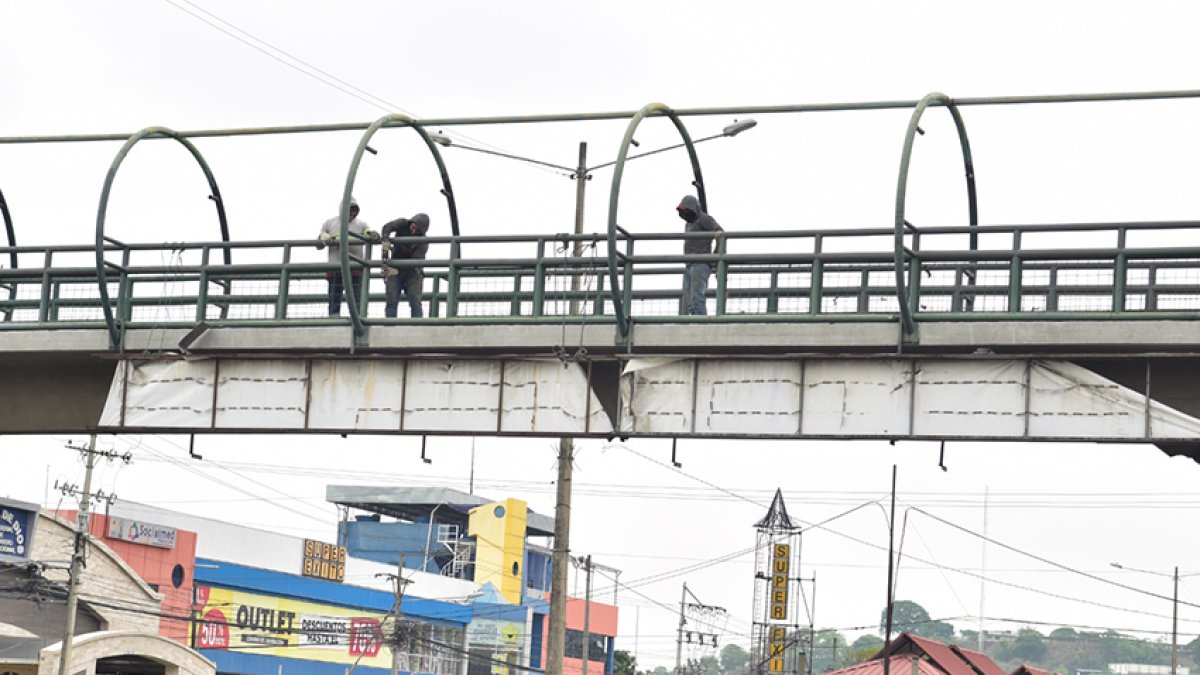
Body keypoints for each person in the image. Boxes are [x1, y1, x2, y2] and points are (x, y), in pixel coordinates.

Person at [317, 197, 378, 317]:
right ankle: (334, 320)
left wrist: (371, 234)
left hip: (355, 268)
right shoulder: (330, 223)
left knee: (357, 299)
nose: (352, 213)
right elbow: (319, 244)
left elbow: (367, 233)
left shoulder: (361, 224)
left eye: (355, 211)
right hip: (335, 268)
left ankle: (359, 319)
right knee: (334, 297)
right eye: (350, 210)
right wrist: (322, 237)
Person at [677, 194, 723, 315]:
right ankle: (694, 321)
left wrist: (716, 256)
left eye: (686, 210)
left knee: (697, 297)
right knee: (689, 300)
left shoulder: (704, 218)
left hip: (700, 263)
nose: (684, 213)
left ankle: (699, 323)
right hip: (689, 264)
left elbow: (719, 232)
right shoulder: (688, 224)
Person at [380, 213, 431, 318]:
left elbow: (415, 259)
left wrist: (396, 246)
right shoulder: (402, 223)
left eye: (417, 231)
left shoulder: (423, 242)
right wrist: (385, 239)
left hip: (412, 271)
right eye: (413, 228)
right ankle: (389, 326)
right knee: (391, 299)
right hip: (394, 268)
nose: (414, 232)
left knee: (414, 300)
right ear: (410, 224)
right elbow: (387, 227)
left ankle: (417, 326)